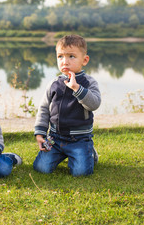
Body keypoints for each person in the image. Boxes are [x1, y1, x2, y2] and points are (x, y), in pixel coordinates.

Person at [33, 34, 101, 177]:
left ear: (85, 60)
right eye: (60, 56)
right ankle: (62, 154)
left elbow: (94, 104)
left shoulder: (89, 82)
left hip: (80, 139)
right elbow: (44, 108)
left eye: (71, 56)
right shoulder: (53, 83)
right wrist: (40, 133)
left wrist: (77, 89)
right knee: (41, 168)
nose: (65, 61)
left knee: (80, 173)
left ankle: (89, 152)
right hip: (54, 138)